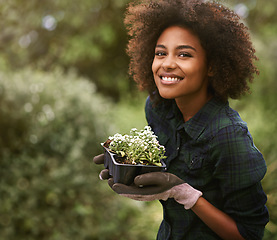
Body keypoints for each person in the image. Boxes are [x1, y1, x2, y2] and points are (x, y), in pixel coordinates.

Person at [93, 0, 269, 239]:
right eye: (160, 53)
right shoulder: (157, 108)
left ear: (212, 66)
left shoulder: (228, 135)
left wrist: (184, 194)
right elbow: (162, 170)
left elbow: (249, 234)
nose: (167, 64)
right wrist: (128, 164)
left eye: (184, 54)